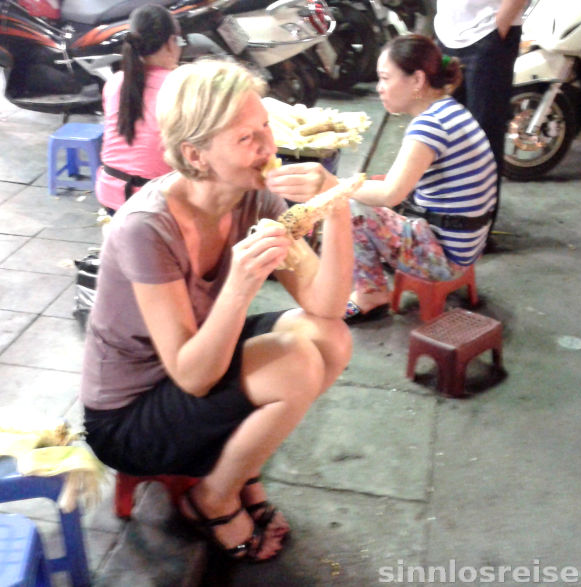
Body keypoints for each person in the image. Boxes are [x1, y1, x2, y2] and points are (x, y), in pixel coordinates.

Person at [80, 59, 354, 561]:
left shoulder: (257, 200)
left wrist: (336, 208)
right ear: (196, 154)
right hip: (130, 415)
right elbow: (194, 377)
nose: (269, 148)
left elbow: (329, 304)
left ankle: (236, 471)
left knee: (329, 338)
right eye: (247, 138)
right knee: (295, 367)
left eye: (266, 126)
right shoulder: (147, 228)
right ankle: (214, 497)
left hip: (196, 363)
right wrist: (241, 285)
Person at [342, 34, 497, 323]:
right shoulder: (451, 109)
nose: (380, 88)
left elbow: (391, 195)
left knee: (351, 203)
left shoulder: (429, 126)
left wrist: (334, 186)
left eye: (385, 78)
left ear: (417, 80)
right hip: (469, 243)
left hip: (445, 256)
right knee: (367, 189)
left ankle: (370, 294)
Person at [434, 0, 529, 233]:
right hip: (447, 34)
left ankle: (478, 229)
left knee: (483, 138)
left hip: (487, 36)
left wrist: (497, 30)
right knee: (446, 132)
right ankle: (448, 219)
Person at [95, 4, 182, 214]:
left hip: (110, 194)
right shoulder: (180, 84)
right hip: (156, 202)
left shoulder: (115, 82)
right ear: (171, 42)